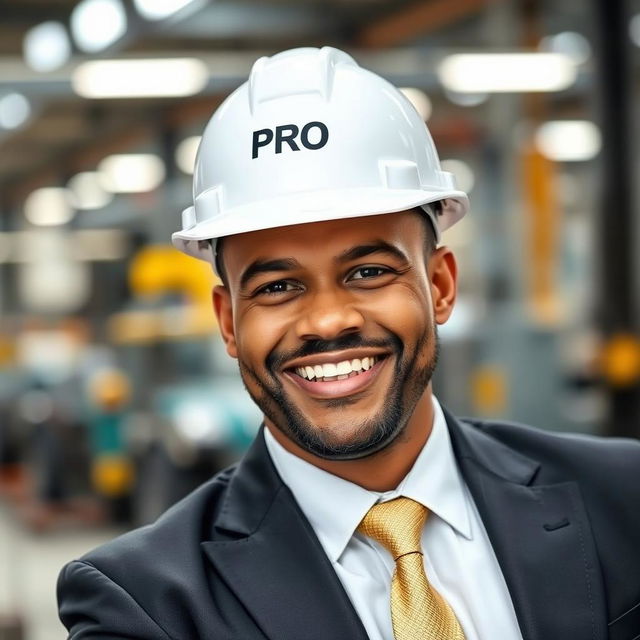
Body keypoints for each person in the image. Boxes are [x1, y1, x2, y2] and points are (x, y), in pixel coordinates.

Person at [57, 47, 640, 640]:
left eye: (368, 272)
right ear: (229, 322)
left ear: (439, 286)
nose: (329, 321)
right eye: (278, 286)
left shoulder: (625, 498)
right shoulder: (143, 606)